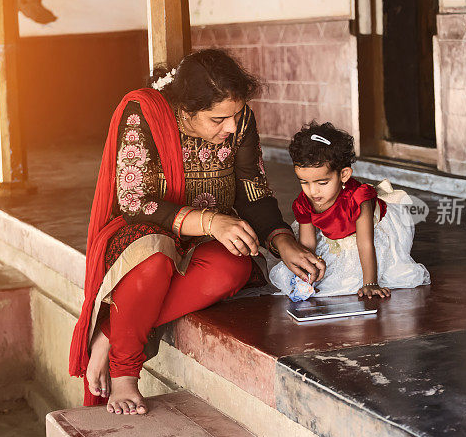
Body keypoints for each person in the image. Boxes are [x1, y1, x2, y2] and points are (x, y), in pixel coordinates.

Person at [69, 49, 325, 416]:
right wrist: (208, 221)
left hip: (207, 239)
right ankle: (124, 374)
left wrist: (284, 242)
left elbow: (252, 188)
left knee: (234, 266)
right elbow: (134, 200)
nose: (232, 128)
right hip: (146, 235)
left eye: (236, 116)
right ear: (184, 111)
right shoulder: (144, 113)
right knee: (155, 260)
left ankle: (110, 332)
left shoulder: (240, 120)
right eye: (218, 119)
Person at [269, 122, 430, 299]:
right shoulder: (304, 203)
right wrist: (308, 274)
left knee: (354, 277)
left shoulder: (359, 199)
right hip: (333, 235)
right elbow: (308, 245)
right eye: (304, 182)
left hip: (366, 235)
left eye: (322, 183)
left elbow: (365, 243)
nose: (313, 191)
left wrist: (370, 284)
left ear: (344, 174)